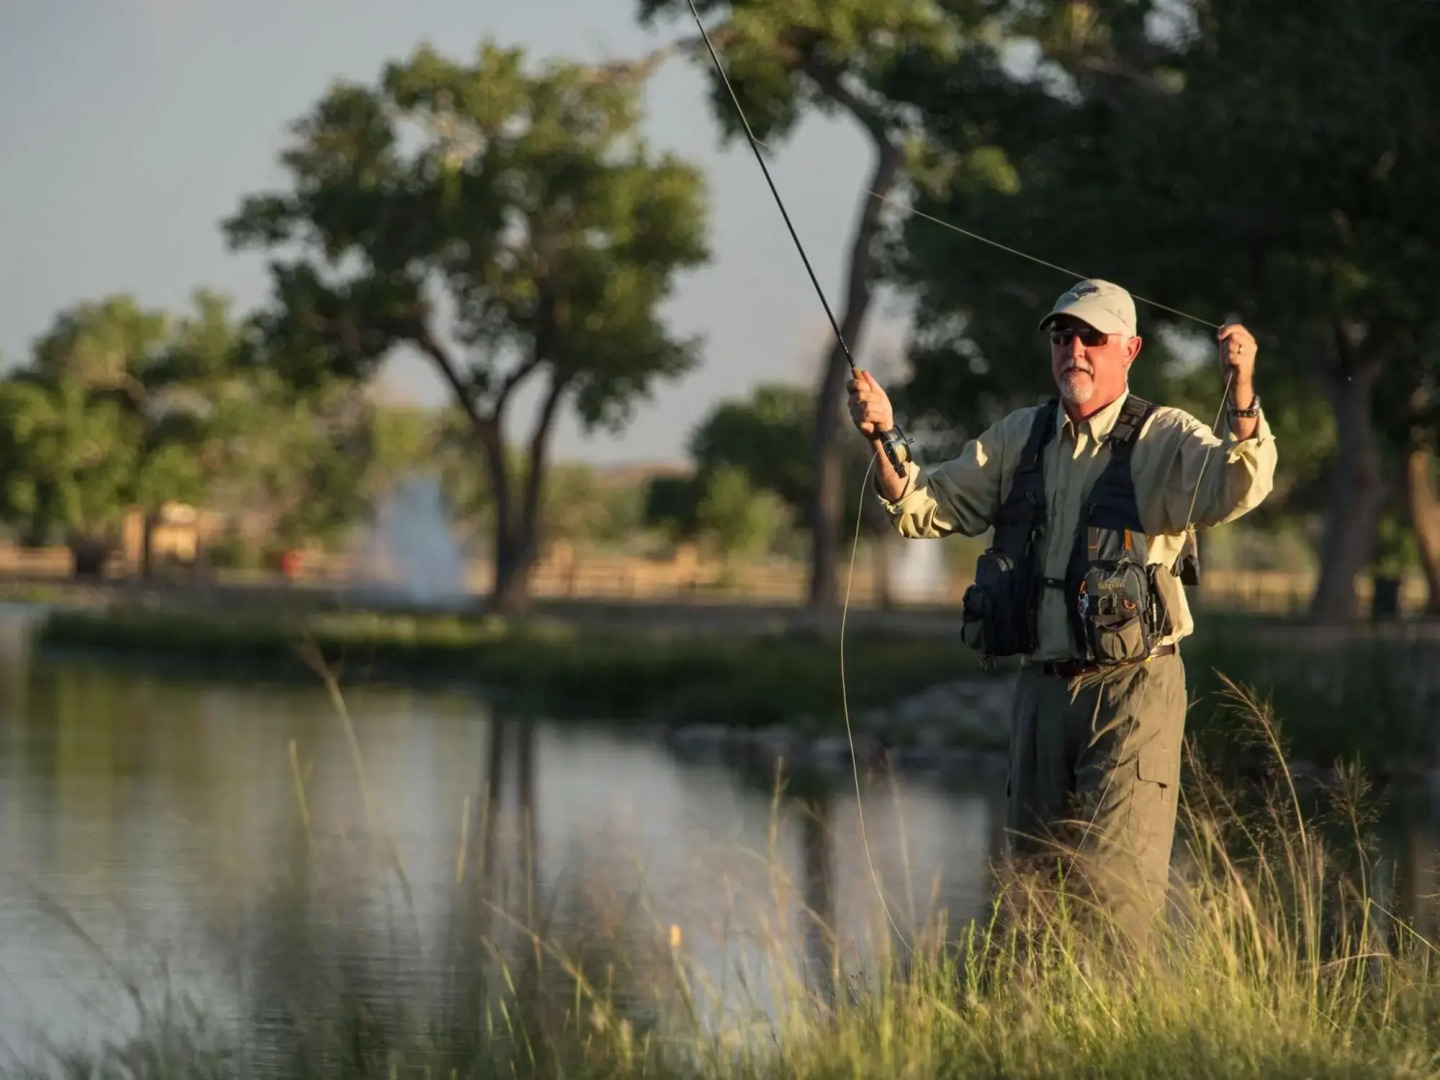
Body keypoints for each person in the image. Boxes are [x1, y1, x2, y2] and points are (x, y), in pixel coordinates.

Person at [847, 279, 1277, 944]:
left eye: (1092, 337)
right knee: (1031, 902)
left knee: (1112, 899)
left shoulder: (1165, 437)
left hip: (1132, 691)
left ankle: (1123, 1015)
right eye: (1062, 336)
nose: (1074, 349)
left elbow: (1238, 484)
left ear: (1129, 350)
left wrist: (1241, 392)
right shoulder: (1019, 436)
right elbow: (923, 505)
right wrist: (883, 435)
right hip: (1040, 693)